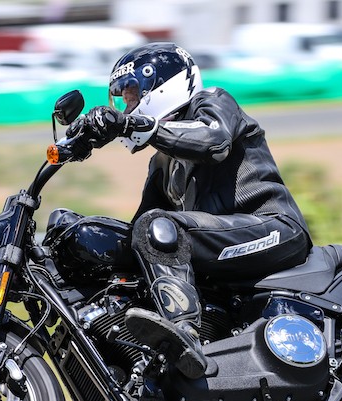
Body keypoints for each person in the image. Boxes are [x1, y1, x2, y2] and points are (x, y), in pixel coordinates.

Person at [67, 42, 311, 379]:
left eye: (132, 93)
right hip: (226, 246)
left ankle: (184, 334)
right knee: (139, 235)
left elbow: (213, 141)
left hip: (273, 228)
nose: (128, 105)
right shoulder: (162, 162)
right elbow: (140, 230)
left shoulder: (214, 101)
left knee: (159, 227)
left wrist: (128, 125)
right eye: (122, 99)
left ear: (163, 83)